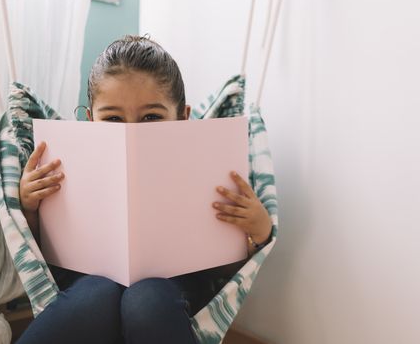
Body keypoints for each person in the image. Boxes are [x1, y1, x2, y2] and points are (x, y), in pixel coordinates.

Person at [16, 35, 272, 344]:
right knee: (98, 294)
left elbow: (226, 278)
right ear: (89, 120)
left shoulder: (210, 168)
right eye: (112, 118)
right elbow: (38, 256)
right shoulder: (63, 163)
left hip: (172, 294)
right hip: (89, 285)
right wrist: (29, 206)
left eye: (151, 117)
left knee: (145, 299)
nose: (132, 133)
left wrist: (257, 233)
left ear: (183, 117)